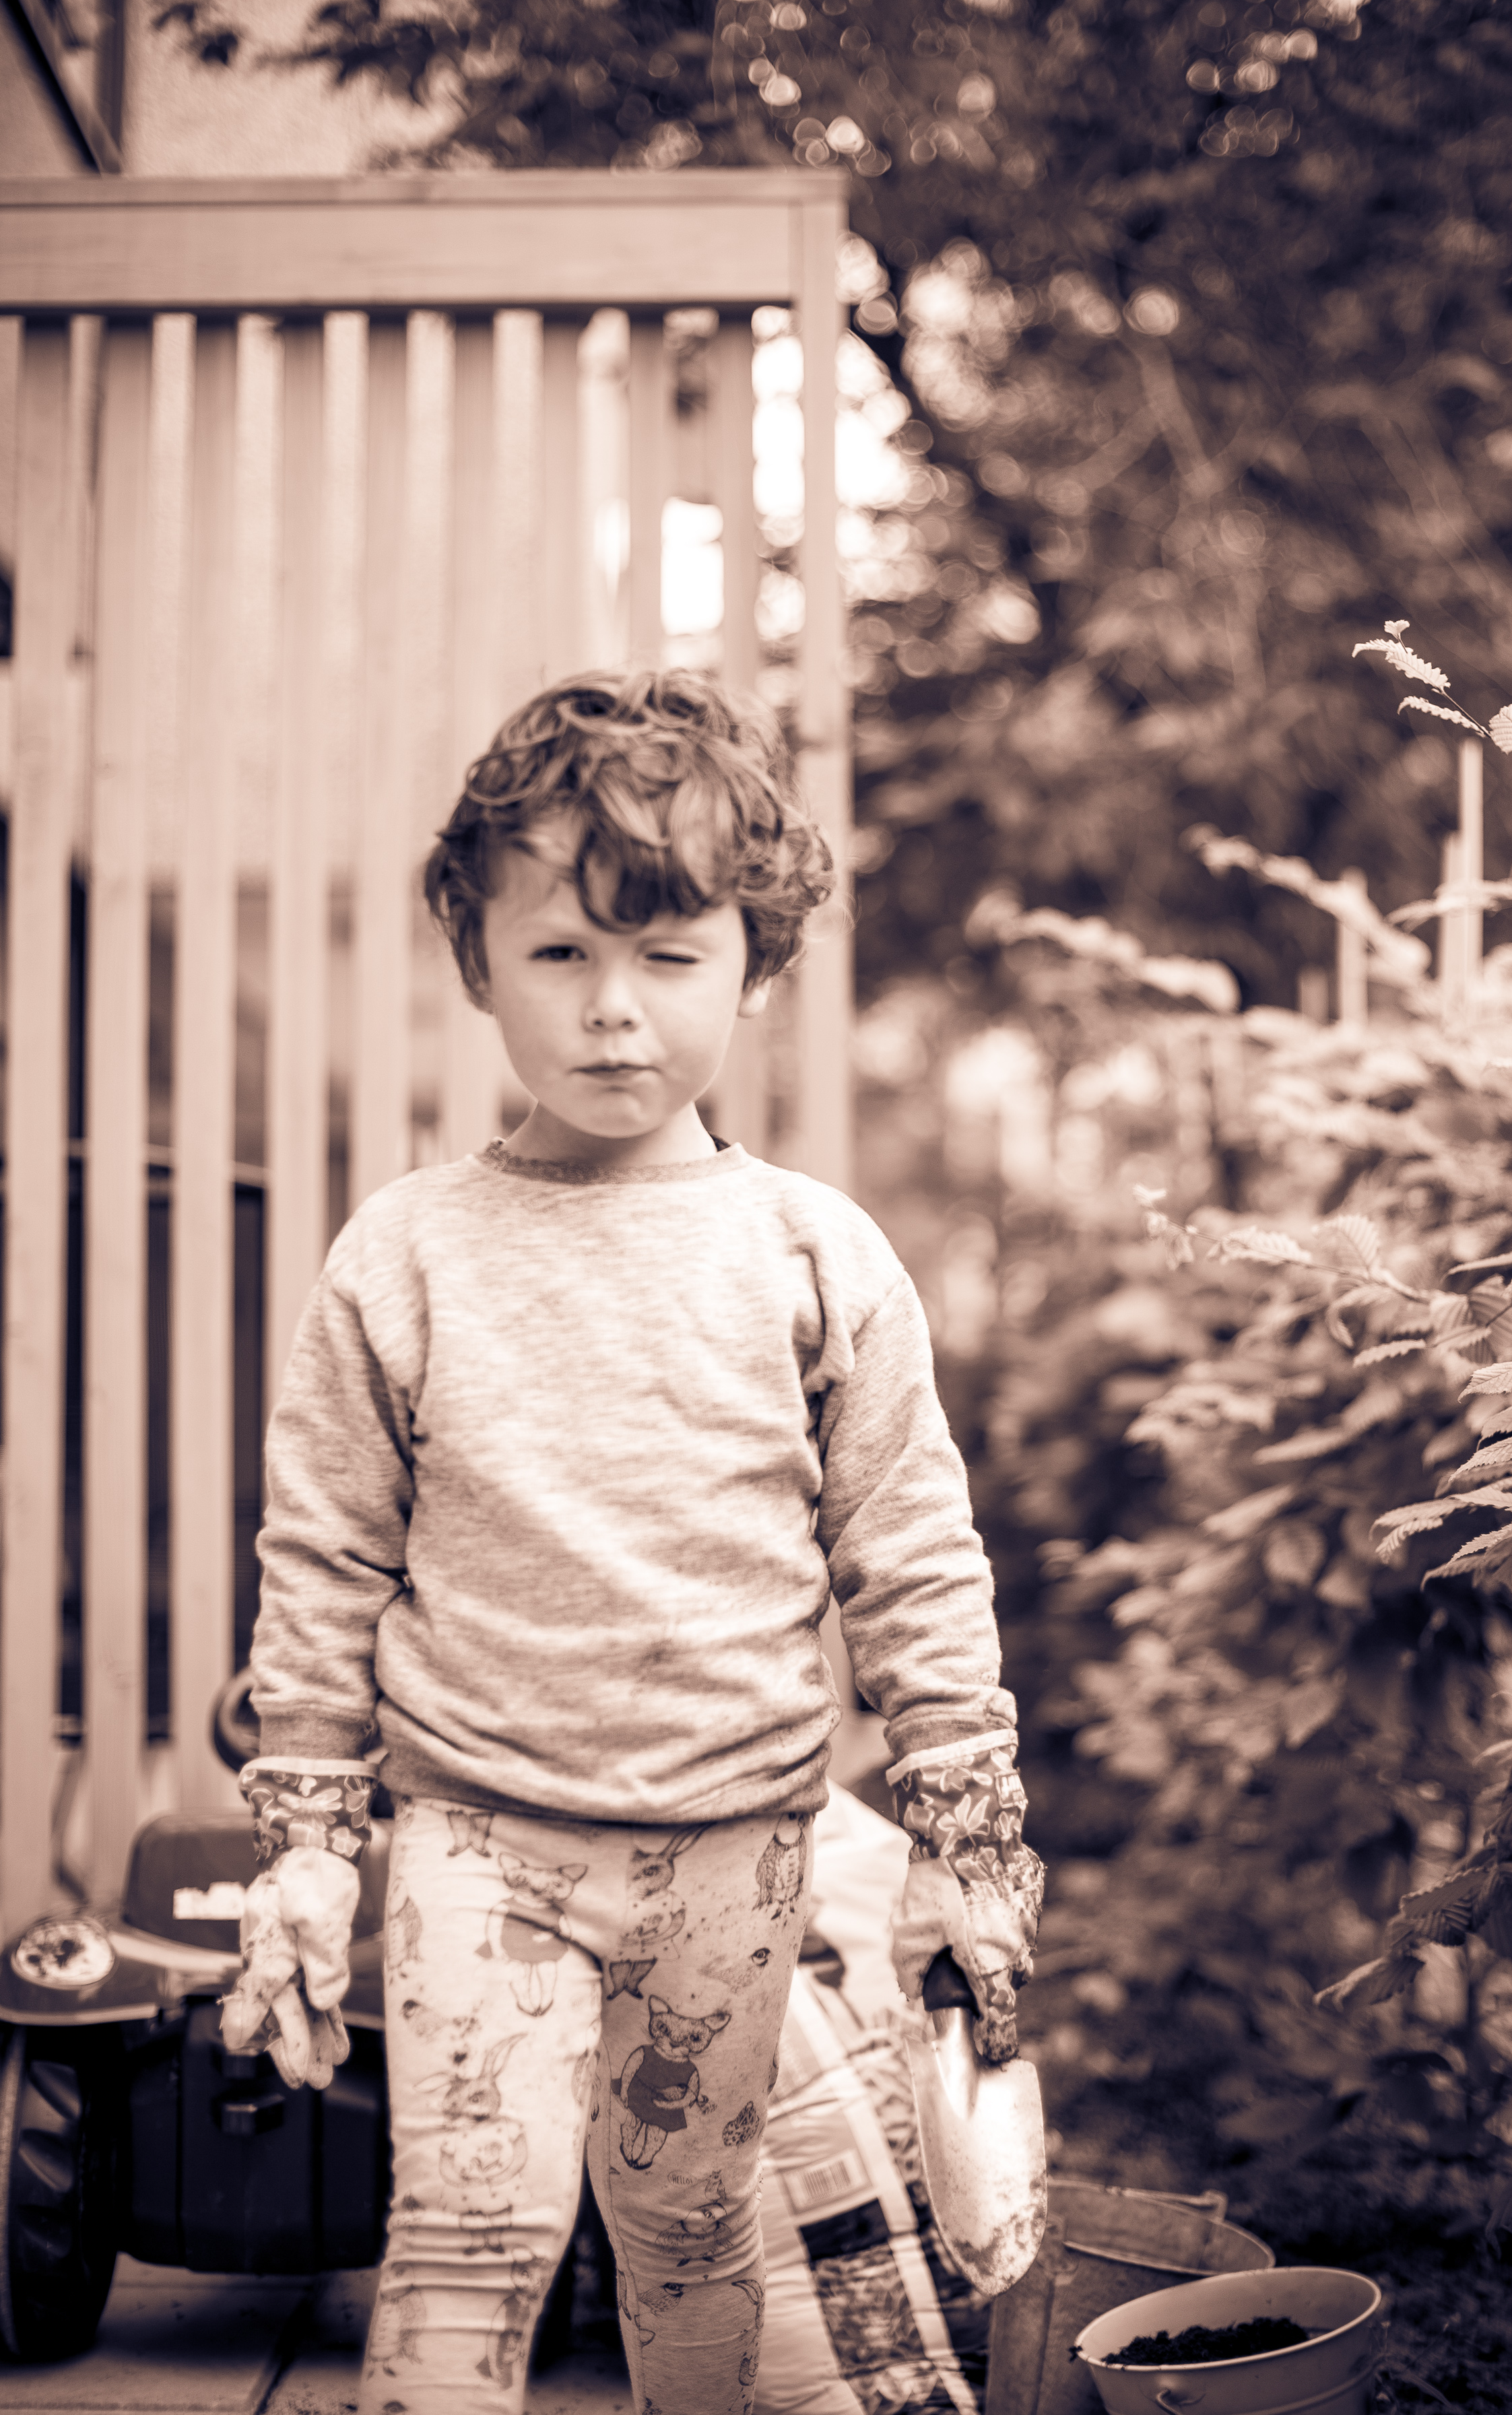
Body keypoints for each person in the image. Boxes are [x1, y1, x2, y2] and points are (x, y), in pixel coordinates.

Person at [220, 669, 1044, 2415]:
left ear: (754, 965)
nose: (613, 1010)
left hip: (734, 1848)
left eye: (669, 957)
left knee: (685, 2232)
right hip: (478, 1838)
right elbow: (324, 1558)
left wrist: (964, 1844)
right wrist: (306, 1844)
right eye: (561, 953)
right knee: (467, 2233)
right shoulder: (406, 1254)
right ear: (476, 958)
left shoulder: (815, 1256)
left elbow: (912, 1555)